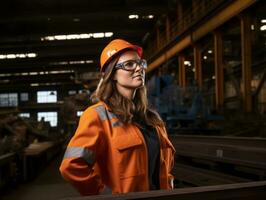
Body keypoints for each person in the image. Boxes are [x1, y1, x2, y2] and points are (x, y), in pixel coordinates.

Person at [59, 39, 175, 196]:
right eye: (129, 65)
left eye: (140, 63)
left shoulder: (152, 119)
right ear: (112, 74)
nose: (138, 68)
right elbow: (71, 166)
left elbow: (164, 168)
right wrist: (105, 195)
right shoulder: (97, 115)